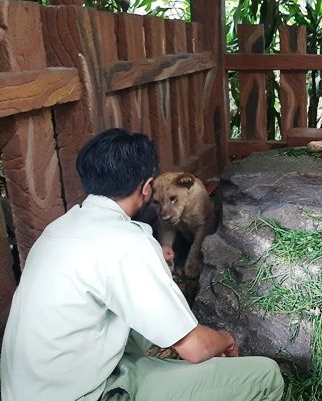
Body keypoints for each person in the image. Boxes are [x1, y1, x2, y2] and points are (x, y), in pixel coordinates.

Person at [0, 128, 284, 401]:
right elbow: (196, 349)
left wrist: (151, 260)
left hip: (29, 389)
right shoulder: (129, 242)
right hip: (86, 393)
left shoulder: (57, 229)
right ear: (147, 187)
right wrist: (225, 337)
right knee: (265, 376)